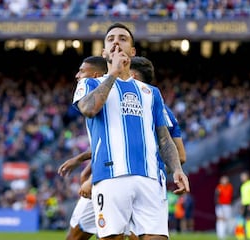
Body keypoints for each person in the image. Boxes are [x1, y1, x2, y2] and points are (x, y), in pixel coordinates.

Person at [72, 22, 189, 240]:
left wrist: (177, 170)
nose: (116, 41)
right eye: (111, 39)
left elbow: (163, 138)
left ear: (132, 52)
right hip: (110, 177)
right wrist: (113, 74)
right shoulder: (88, 84)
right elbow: (89, 109)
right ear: (104, 52)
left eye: (123, 38)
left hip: (150, 179)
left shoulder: (151, 92)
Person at [62, 55, 108, 240]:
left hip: (109, 176)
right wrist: (82, 160)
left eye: (82, 71)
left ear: (95, 75)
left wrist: (94, 177)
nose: (77, 75)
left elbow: (114, 144)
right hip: (108, 172)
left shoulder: (90, 88)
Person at [215, 175, 234, 240]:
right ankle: (220, 234)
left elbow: (232, 196)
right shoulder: (219, 187)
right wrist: (218, 205)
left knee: (227, 219)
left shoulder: (230, 187)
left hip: (227, 205)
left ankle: (225, 234)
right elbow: (216, 197)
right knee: (220, 219)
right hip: (220, 205)